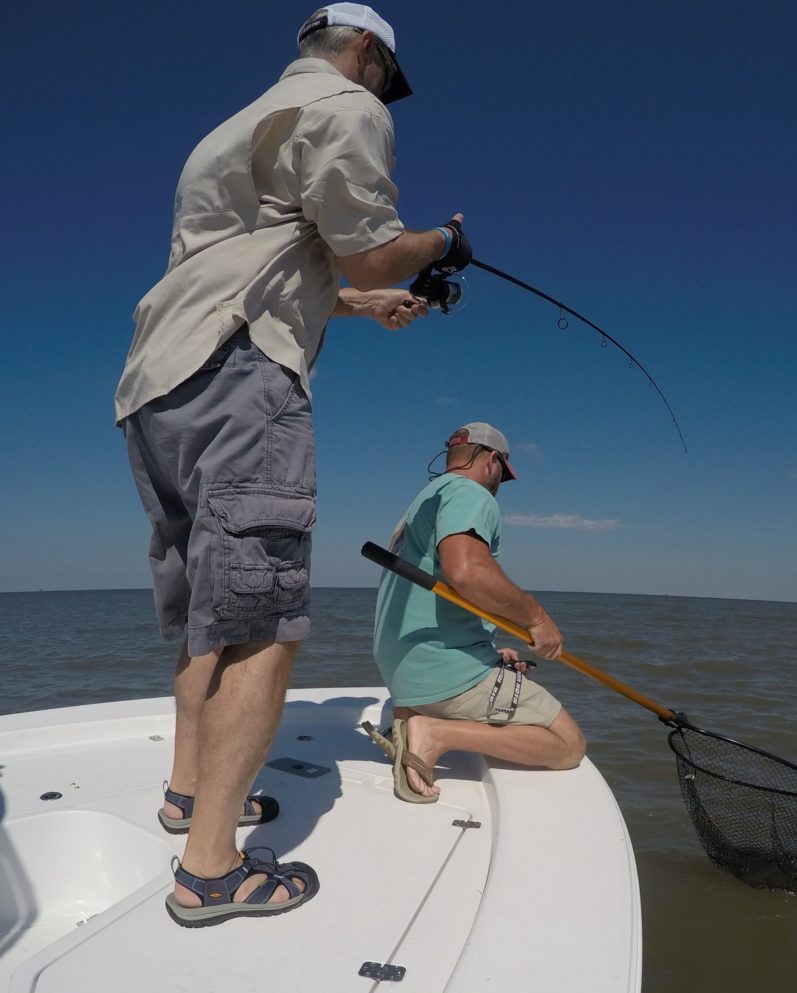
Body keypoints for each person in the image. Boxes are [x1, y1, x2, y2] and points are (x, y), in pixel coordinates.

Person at [114, 4, 473, 927]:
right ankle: (211, 872)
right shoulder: (350, 109)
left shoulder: (231, 133)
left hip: (159, 386)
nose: (388, 94)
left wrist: (366, 306)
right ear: (365, 52)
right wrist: (441, 244)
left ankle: (189, 796)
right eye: (388, 76)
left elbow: (267, 264)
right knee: (264, 624)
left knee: (211, 613)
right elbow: (371, 246)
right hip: (241, 380)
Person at [367, 423, 586, 803]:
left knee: (499, 667)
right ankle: (437, 733)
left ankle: (414, 718)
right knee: (569, 746)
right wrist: (536, 619)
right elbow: (466, 571)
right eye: (503, 473)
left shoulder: (424, 500)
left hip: (405, 676)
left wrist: (489, 651)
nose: (500, 483)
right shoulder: (471, 493)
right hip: (441, 677)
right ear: (491, 461)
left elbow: (434, 596)